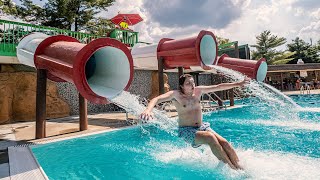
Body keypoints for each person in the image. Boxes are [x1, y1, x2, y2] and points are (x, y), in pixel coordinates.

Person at [140, 74, 249, 169]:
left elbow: (218, 87)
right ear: (182, 86)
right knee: (210, 138)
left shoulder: (198, 91)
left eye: (193, 83)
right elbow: (157, 99)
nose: (192, 85)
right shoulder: (176, 95)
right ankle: (231, 168)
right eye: (188, 83)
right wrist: (148, 110)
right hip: (187, 131)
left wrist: (239, 84)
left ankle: (239, 166)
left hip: (202, 127)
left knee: (224, 142)